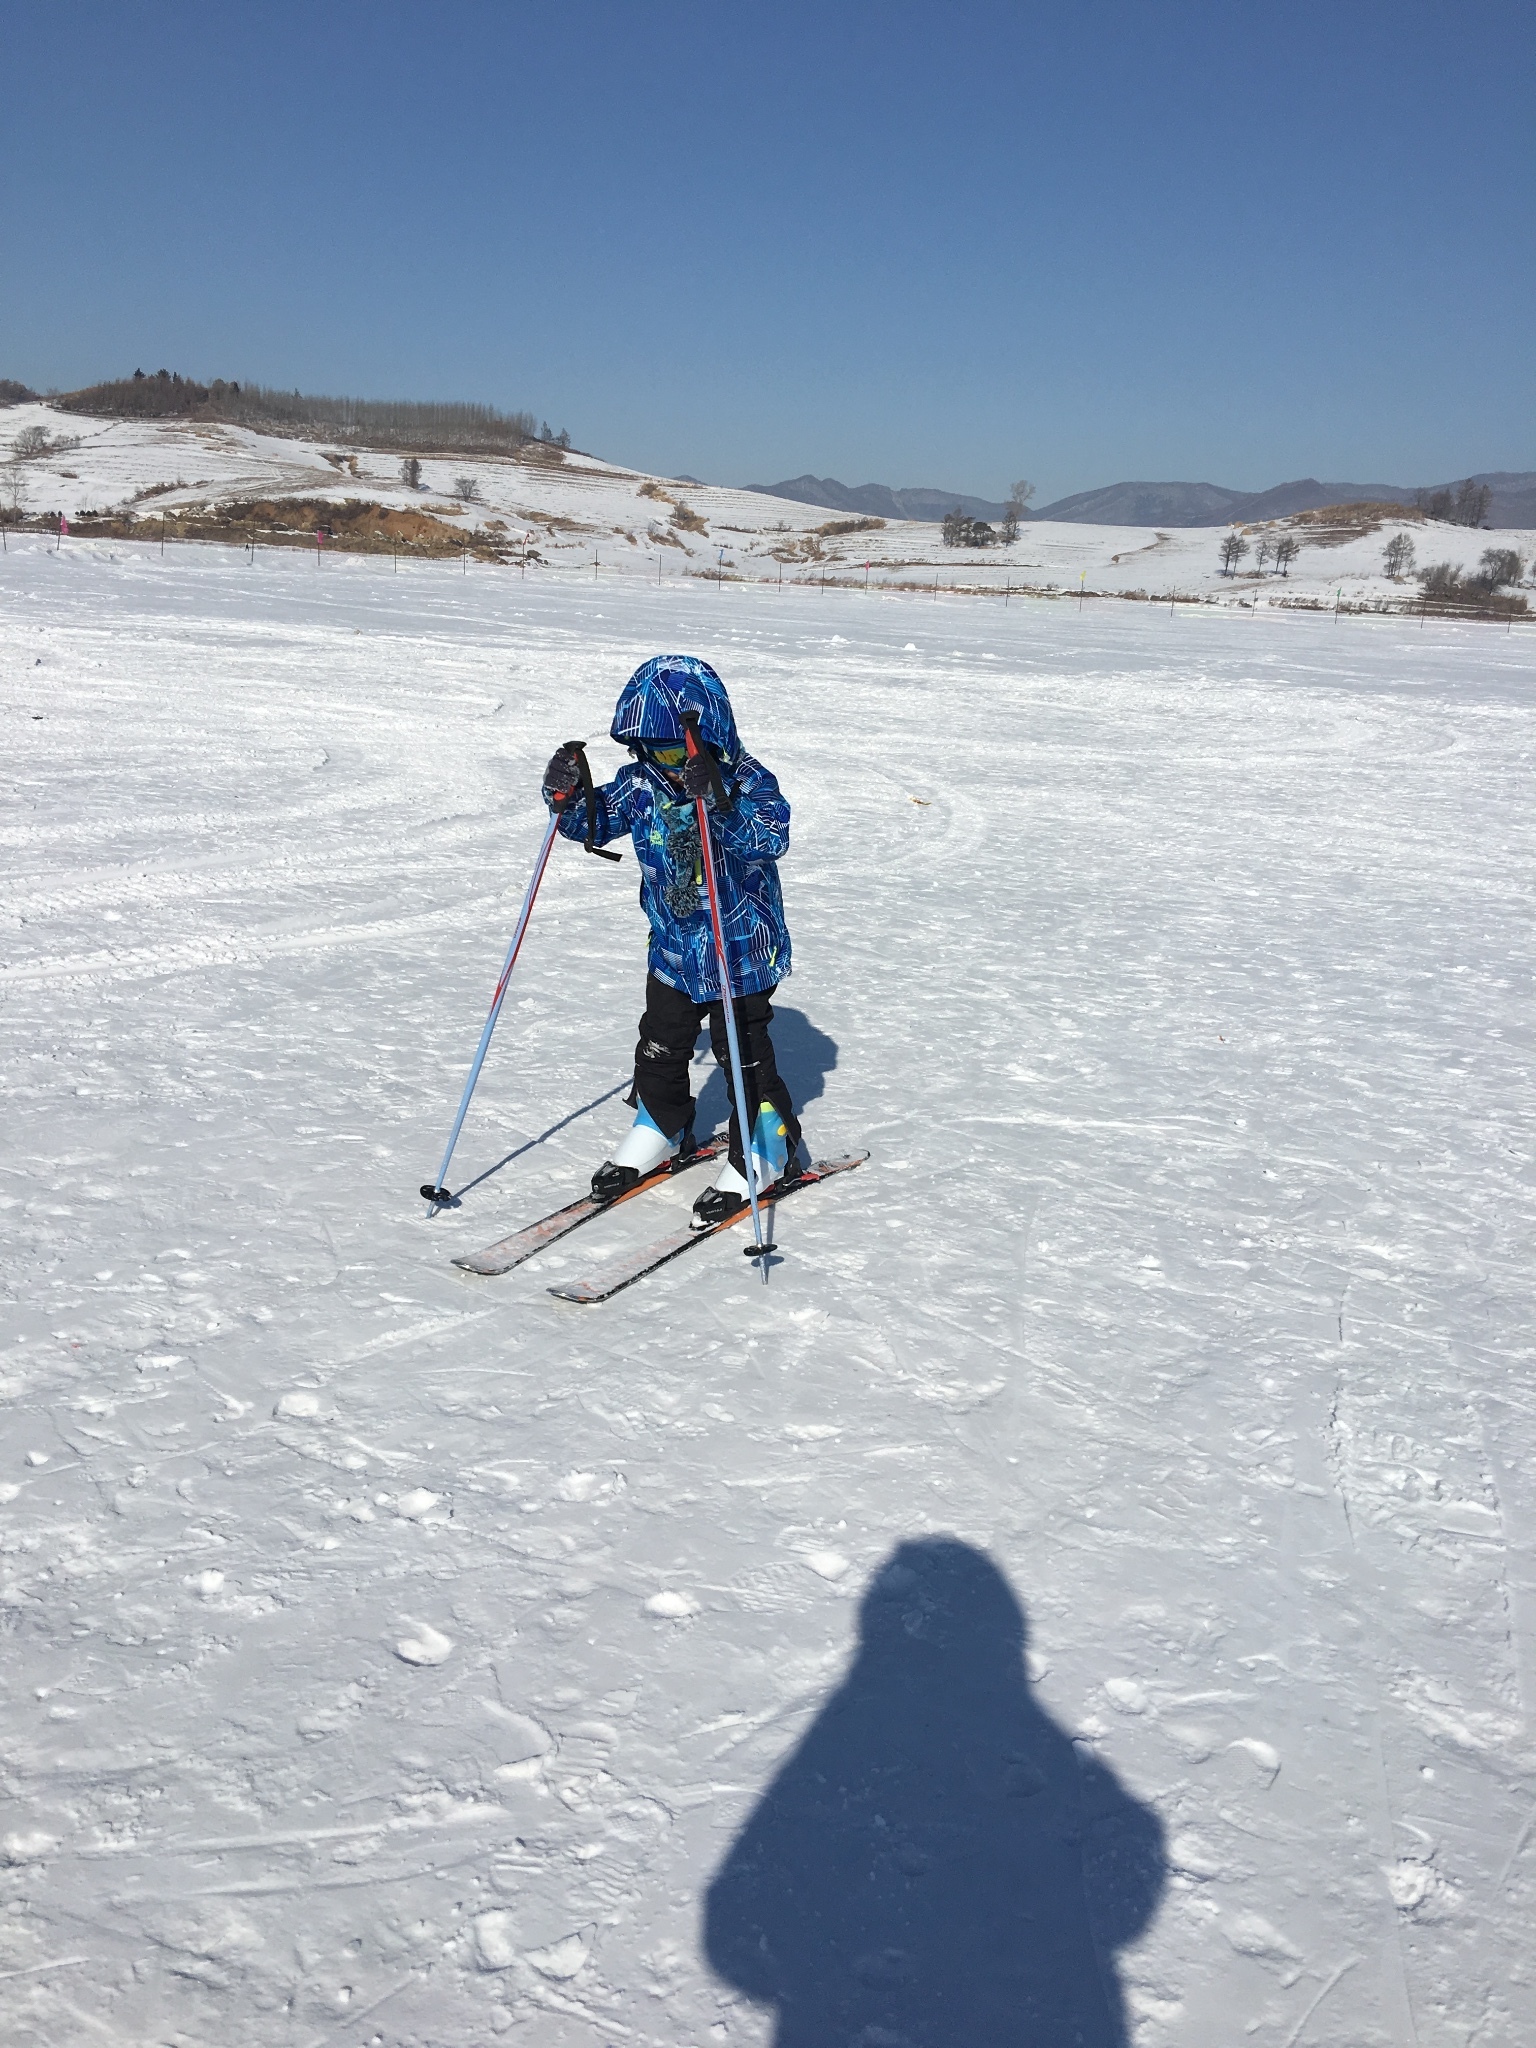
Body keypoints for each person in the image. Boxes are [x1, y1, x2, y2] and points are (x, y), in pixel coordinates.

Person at [542, 654, 801, 1228]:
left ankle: (765, 1146)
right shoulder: (644, 783)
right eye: (645, 750)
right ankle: (660, 1123)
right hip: (674, 948)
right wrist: (566, 798)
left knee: (743, 1058)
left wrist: (719, 801)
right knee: (660, 1043)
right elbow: (594, 821)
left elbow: (770, 837)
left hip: (740, 953)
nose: (660, 764)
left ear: (705, 734)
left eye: (668, 749)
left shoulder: (746, 779)